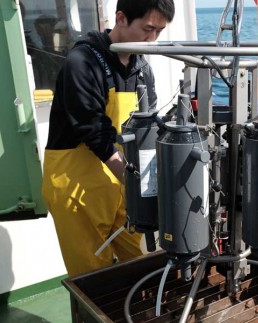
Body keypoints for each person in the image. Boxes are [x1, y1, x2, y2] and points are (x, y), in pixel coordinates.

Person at [42, 0, 175, 276]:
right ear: (121, 18)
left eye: (159, 32)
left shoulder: (142, 70)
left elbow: (148, 128)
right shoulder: (82, 63)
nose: (152, 39)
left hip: (120, 183)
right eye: (148, 28)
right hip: (77, 187)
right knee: (93, 277)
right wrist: (136, 181)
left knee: (146, 259)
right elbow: (95, 133)